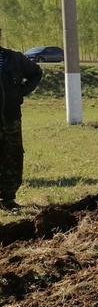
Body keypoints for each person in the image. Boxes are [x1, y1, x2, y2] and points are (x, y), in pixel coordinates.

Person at [0, 28, 43, 210]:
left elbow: (36, 73)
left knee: (12, 157)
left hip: (10, 118)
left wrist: (20, 92)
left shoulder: (14, 59)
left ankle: (7, 200)